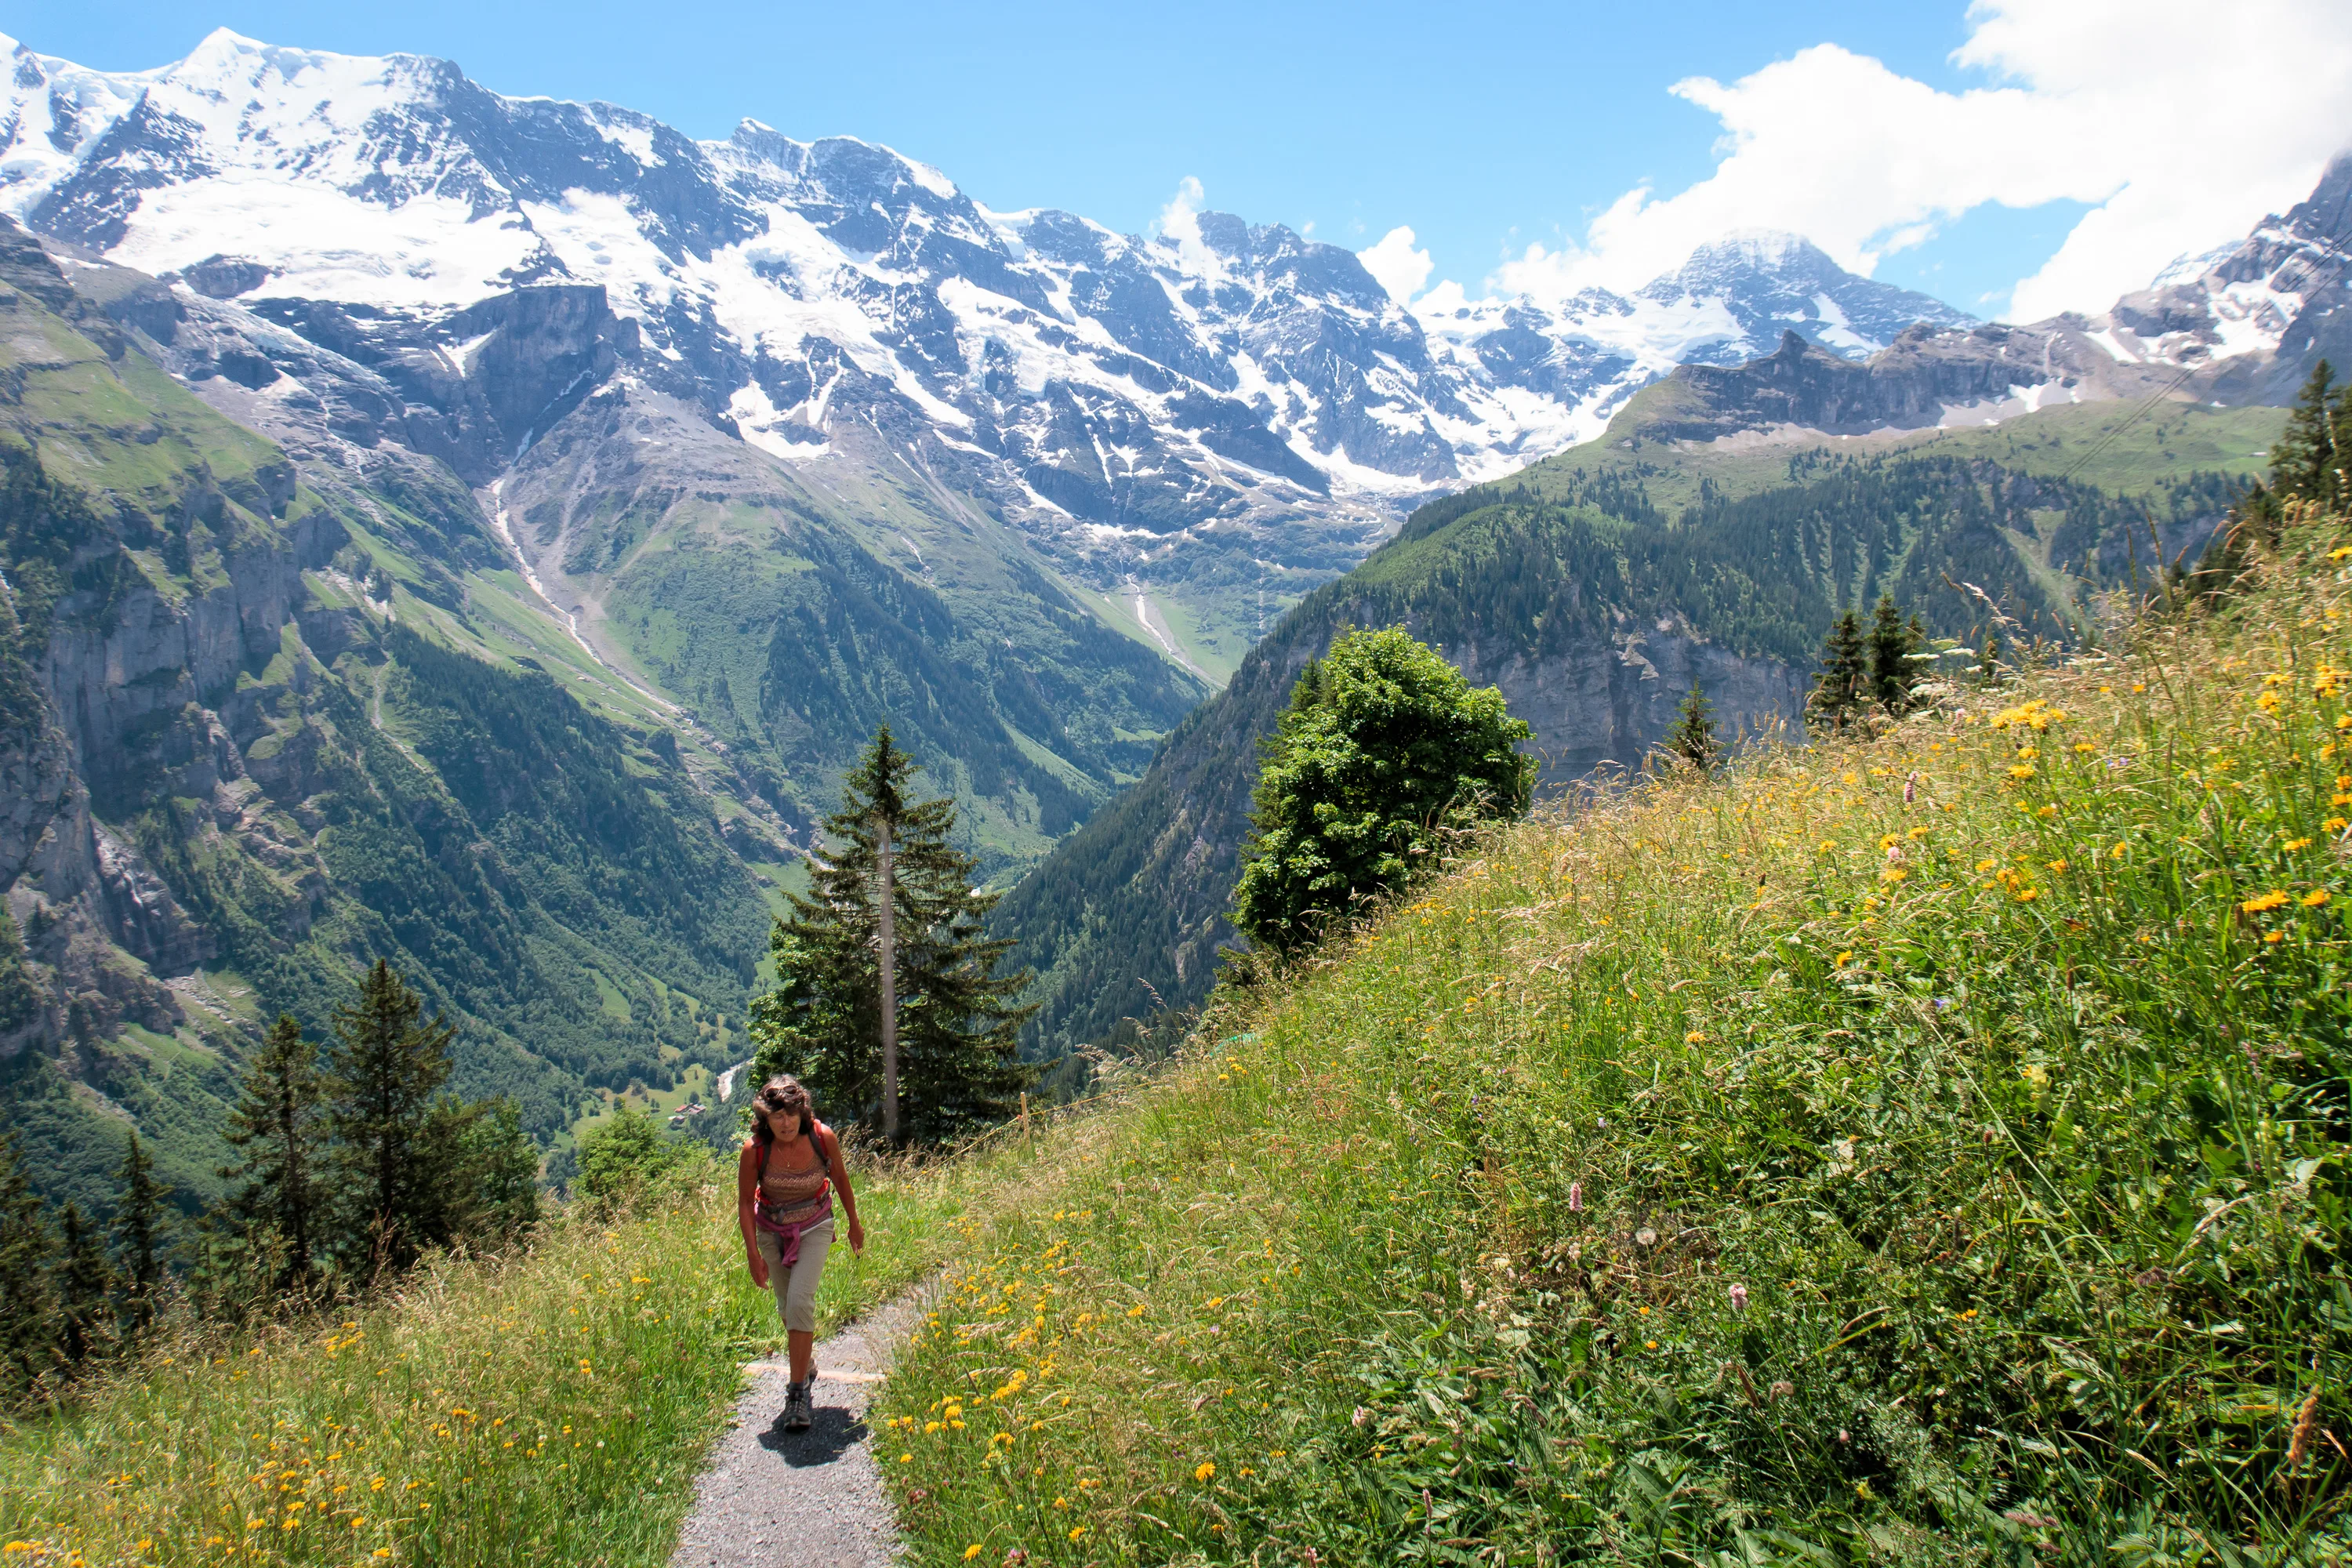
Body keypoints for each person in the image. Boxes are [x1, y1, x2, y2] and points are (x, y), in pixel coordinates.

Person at [738, 1075, 865, 1431]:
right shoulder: (754, 1151)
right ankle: (804, 1362)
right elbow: (746, 1204)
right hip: (771, 1230)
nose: (786, 1123)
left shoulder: (822, 1138)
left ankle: (797, 1395)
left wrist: (855, 1224)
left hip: (815, 1226)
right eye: (777, 1116)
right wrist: (753, 1254)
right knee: (785, 1305)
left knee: (798, 1302)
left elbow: (840, 1179)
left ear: (802, 1112)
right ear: (766, 1118)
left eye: (792, 1114)